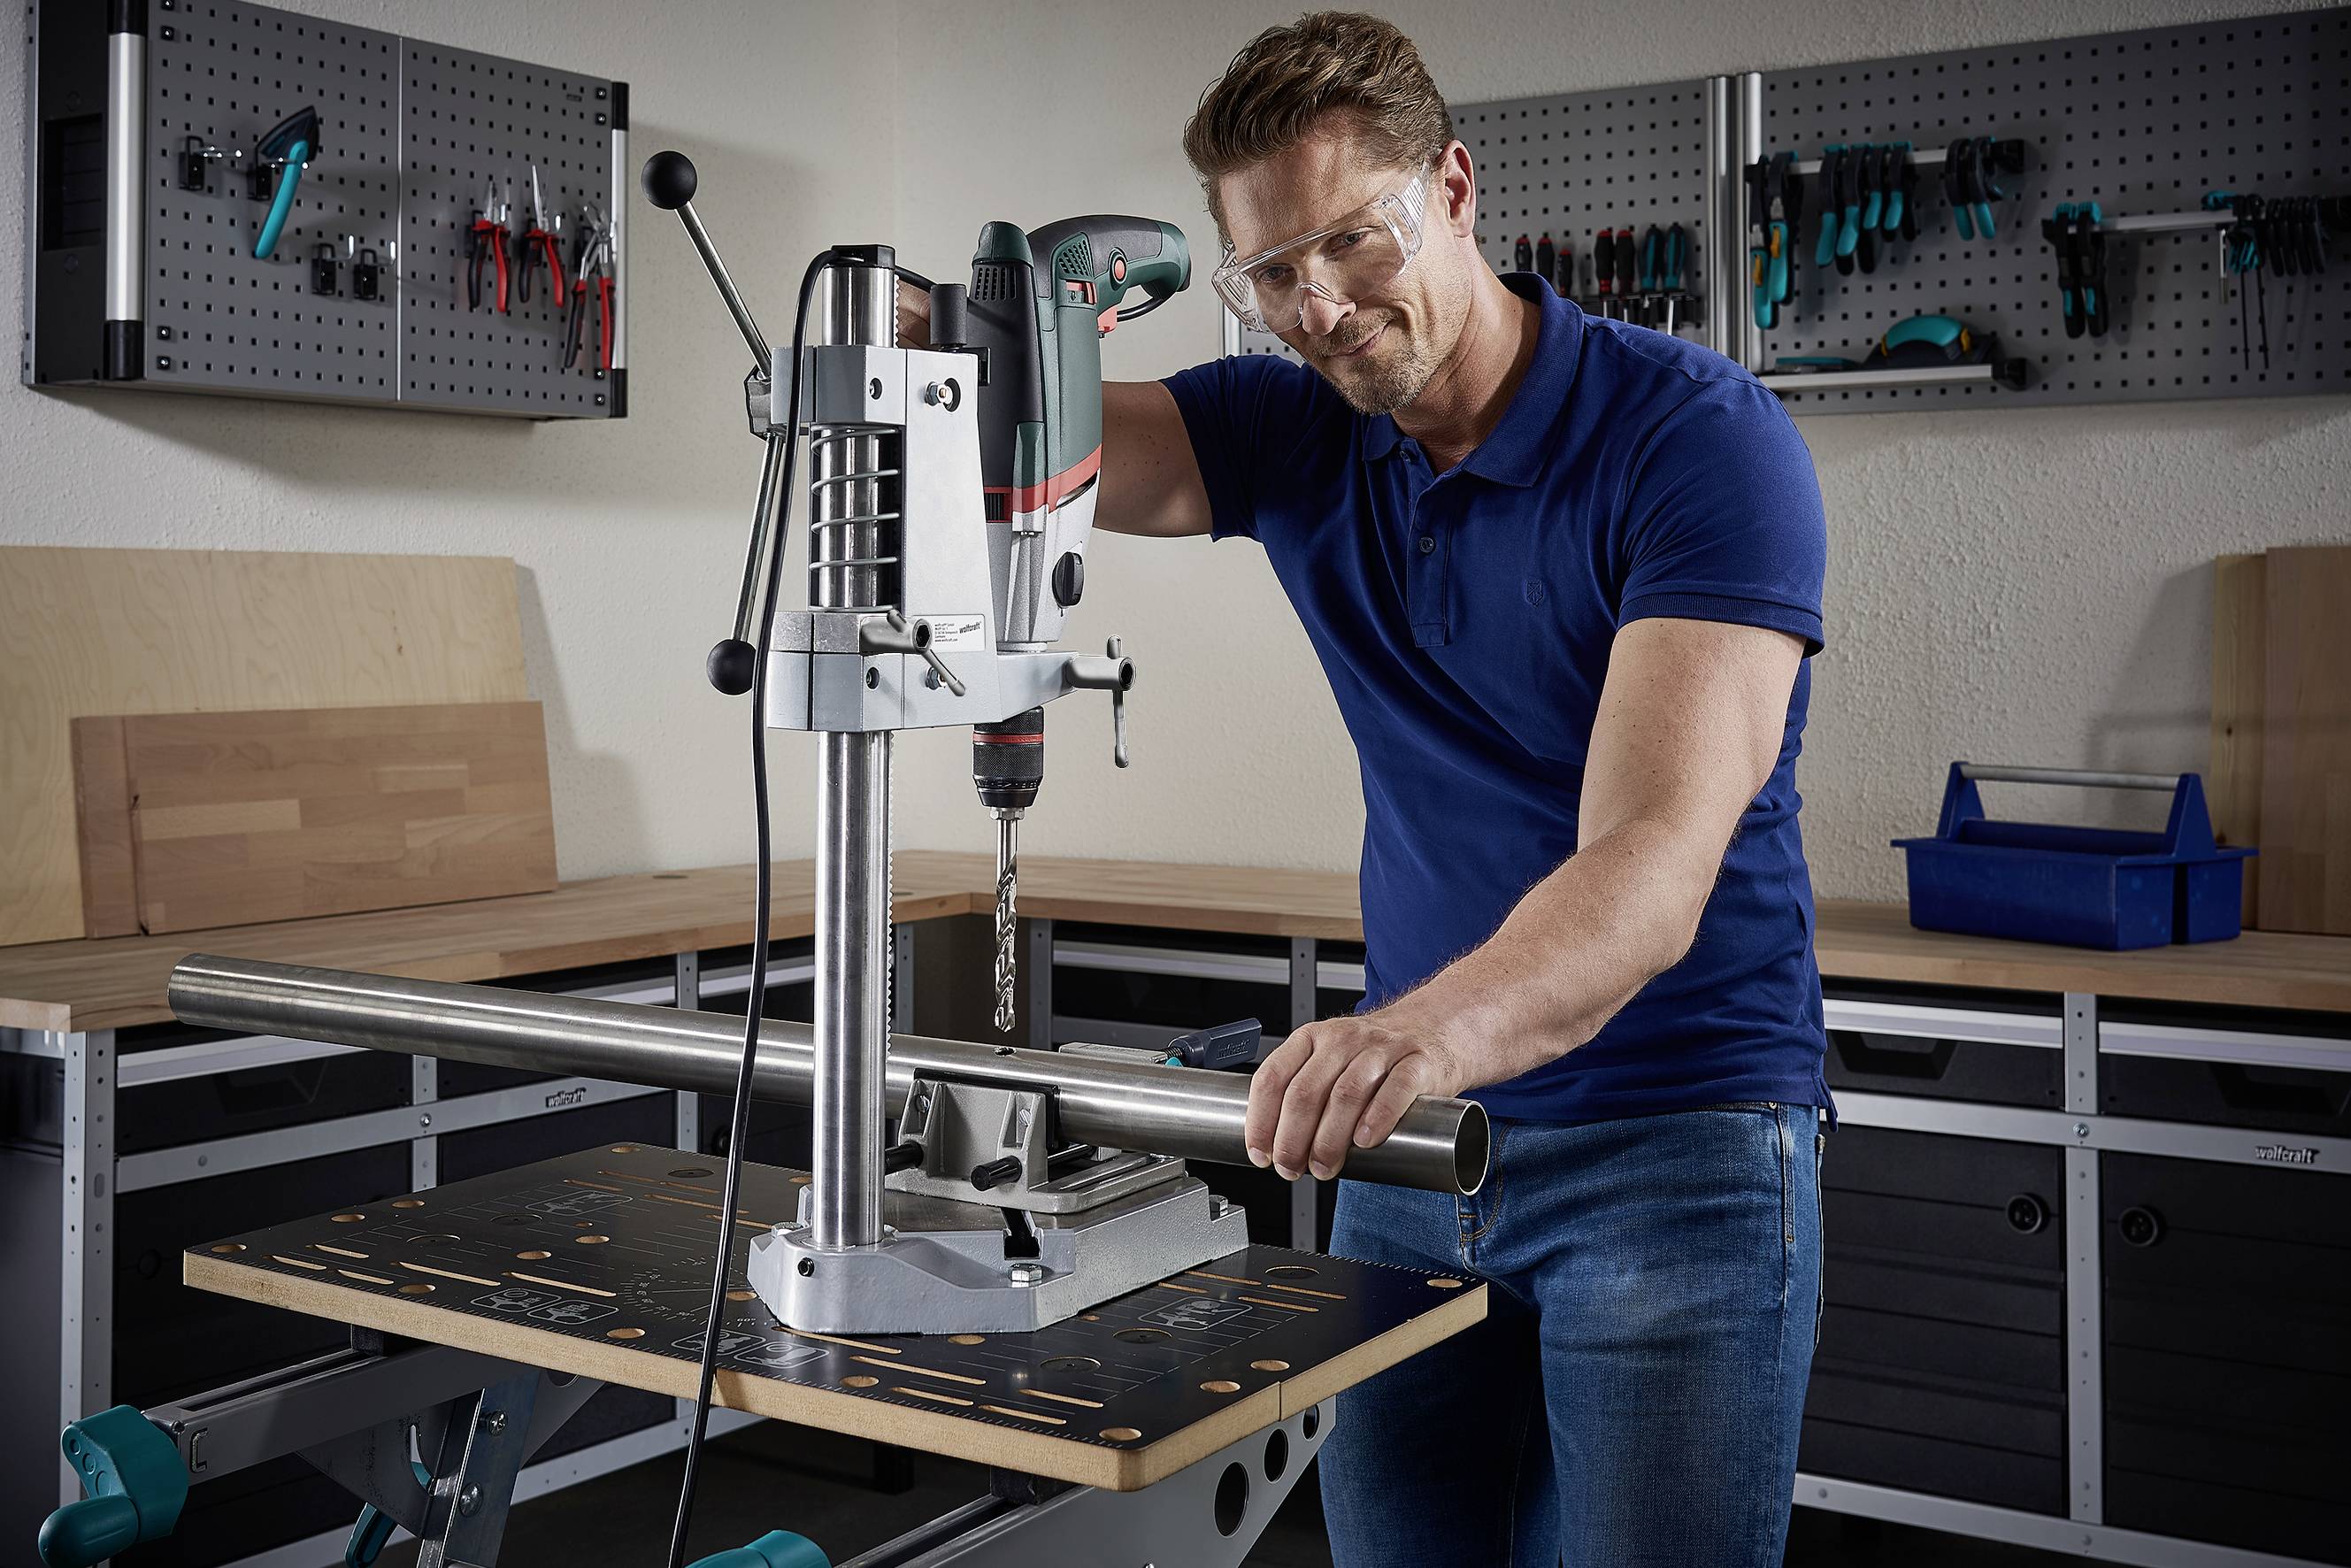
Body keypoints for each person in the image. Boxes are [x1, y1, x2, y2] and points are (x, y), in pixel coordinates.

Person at [906, 13, 1831, 1563]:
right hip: (1407, 1161)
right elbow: (1042, 445)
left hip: (1673, 1149)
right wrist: (931, 346)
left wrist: (1419, 1034)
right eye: (1270, 273)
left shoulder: (1693, 441)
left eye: (1351, 239)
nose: (1320, 308)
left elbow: (1655, 858)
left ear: (1453, 189)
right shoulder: (1296, 428)